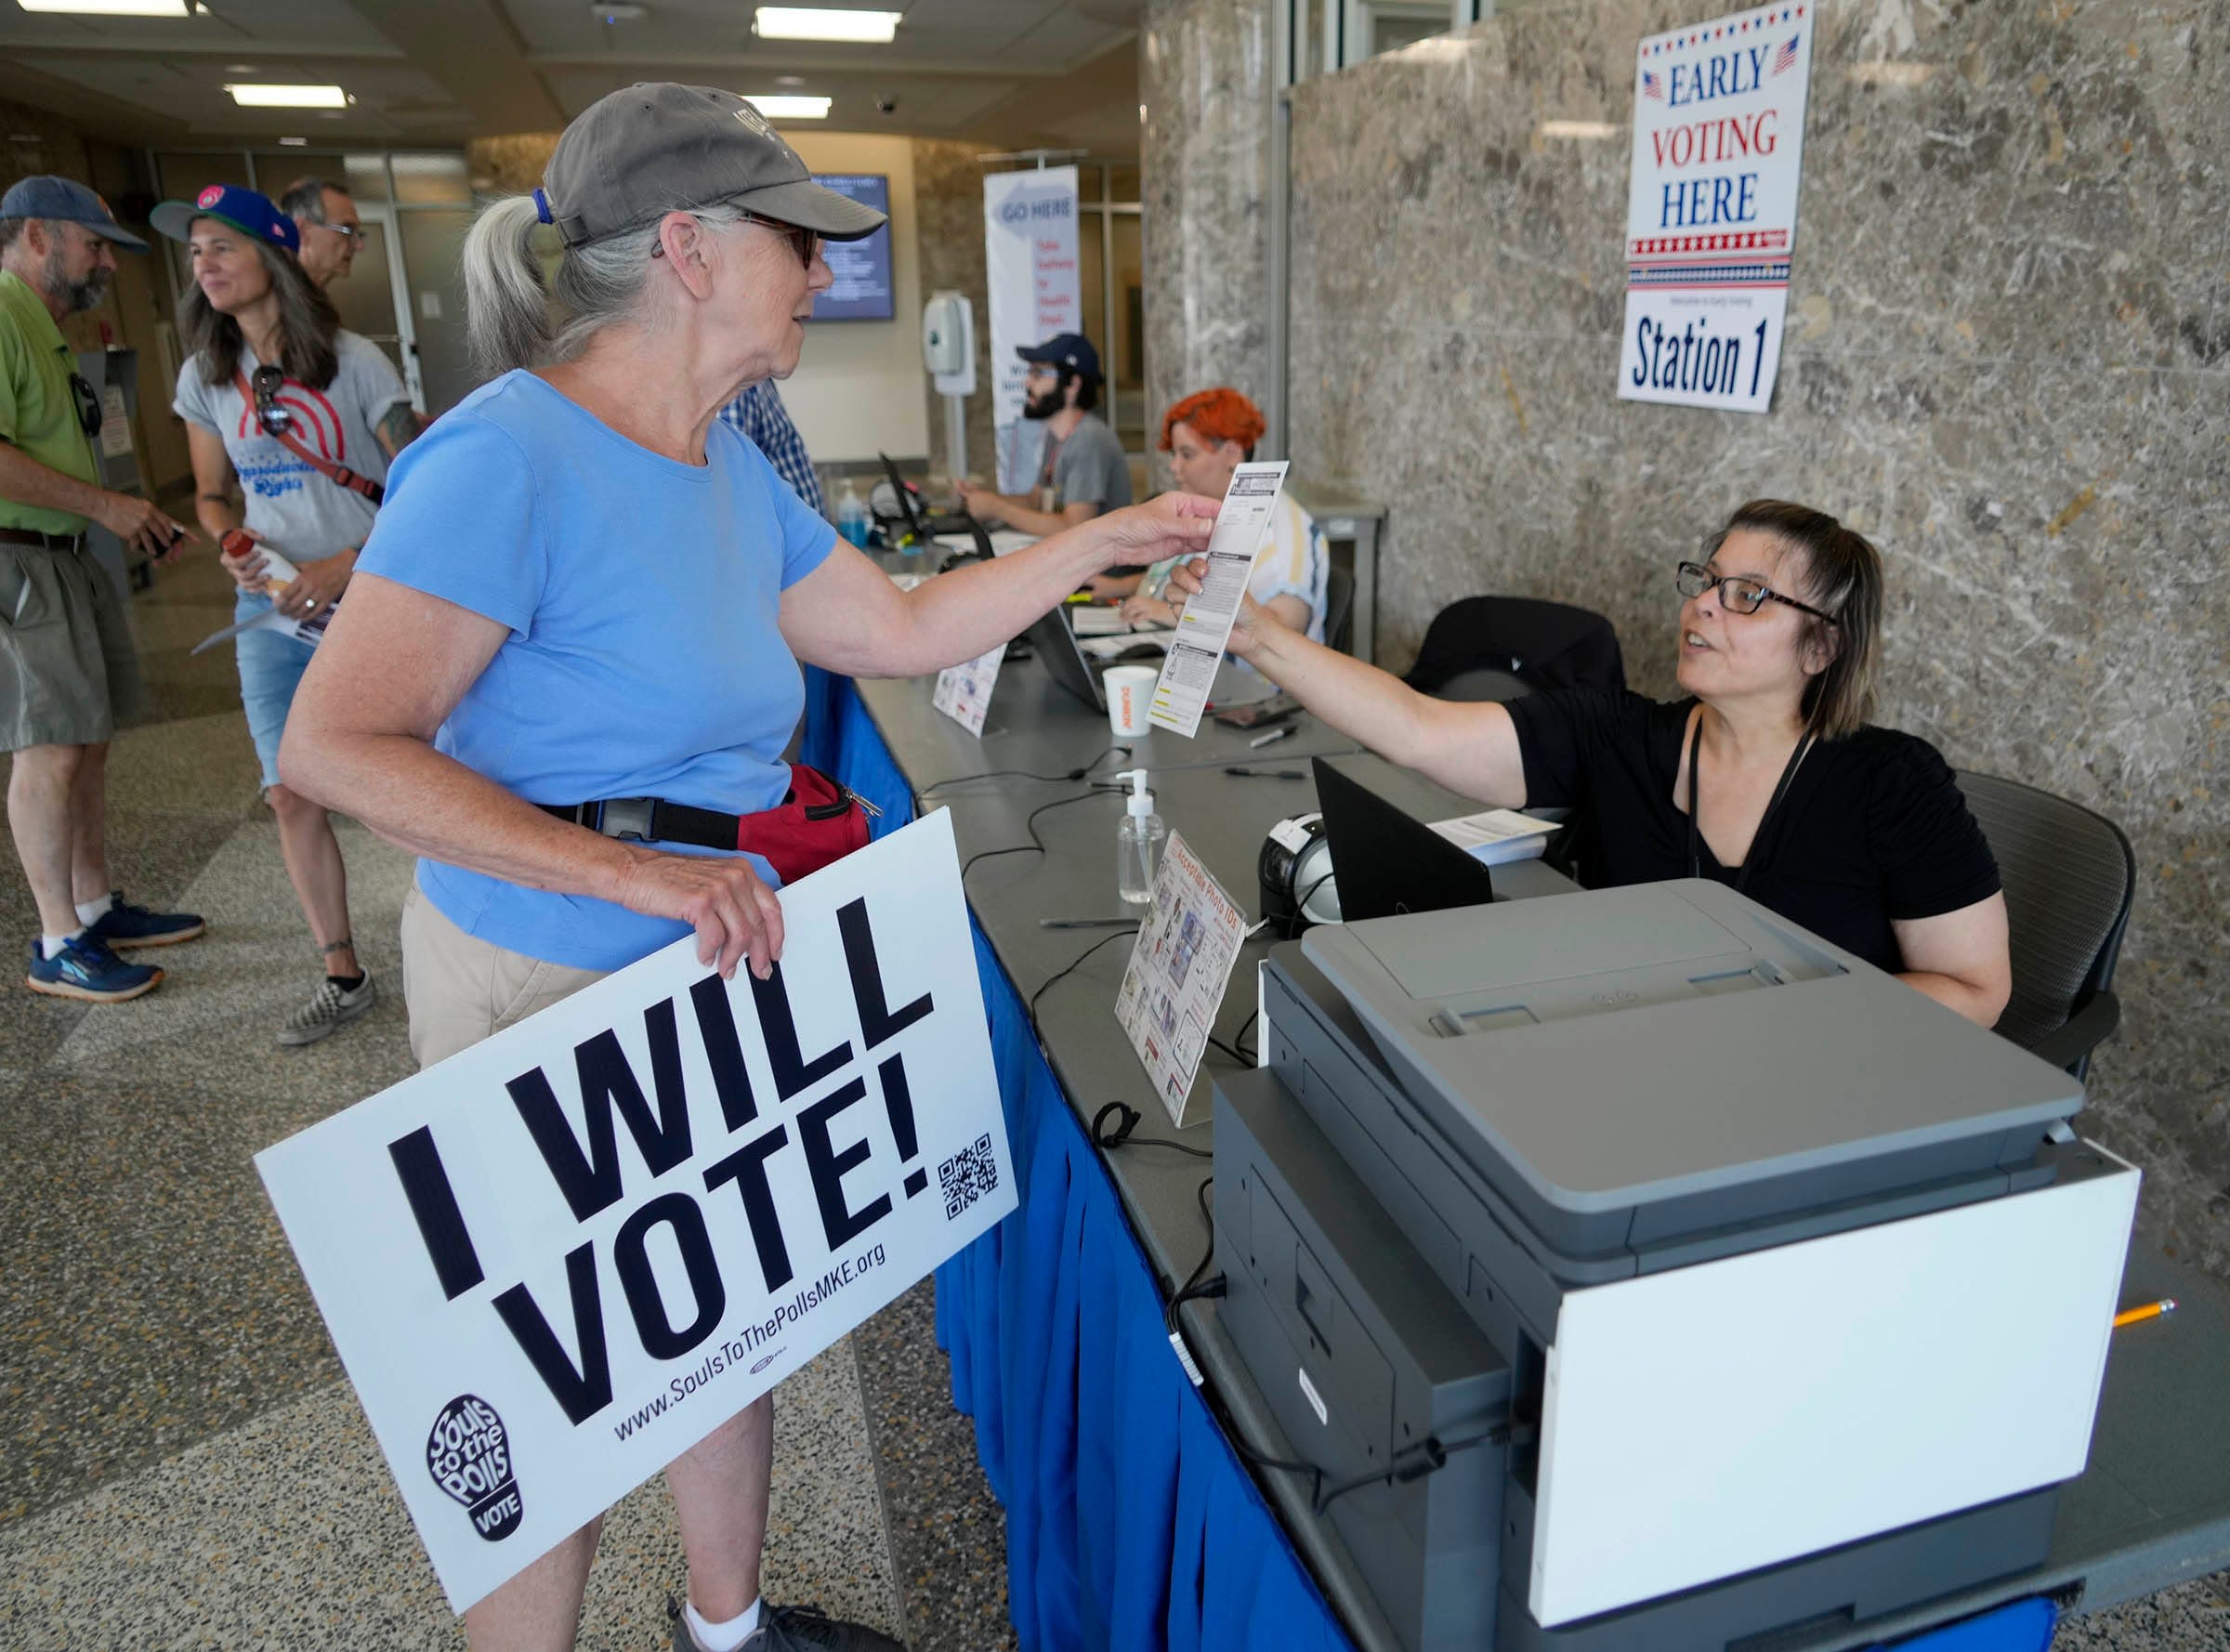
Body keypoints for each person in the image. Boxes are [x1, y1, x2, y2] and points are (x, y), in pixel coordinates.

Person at [277, 84, 1215, 1652]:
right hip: (545, 972)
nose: (822, 269)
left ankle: (730, 1624)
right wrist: (616, 873)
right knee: (560, 1392)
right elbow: (337, 745)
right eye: (799, 239)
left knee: (726, 1325)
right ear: (690, 249)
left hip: (702, 954)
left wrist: (1101, 540)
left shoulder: (726, 469)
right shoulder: (503, 456)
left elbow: (902, 628)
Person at [1171, 499, 2013, 1027]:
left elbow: (1977, 989)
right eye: (1706, 580)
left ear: (1823, 645)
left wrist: (1796, 1019)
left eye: (1746, 596)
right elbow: (1419, 730)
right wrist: (1260, 638)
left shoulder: (1894, 782)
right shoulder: (1614, 736)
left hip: (1824, 1095)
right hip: (1626, 1067)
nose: (1703, 607)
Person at [158, 183, 417, 1045]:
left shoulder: (355, 361)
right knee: (289, 794)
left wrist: (344, 565)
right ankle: (343, 974)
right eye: (196, 254)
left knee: (415, 790)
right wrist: (240, 549)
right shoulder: (205, 376)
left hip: (370, 603)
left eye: (221, 248)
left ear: (271, 254)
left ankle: (464, 941)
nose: (206, 266)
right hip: (271, 615)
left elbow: (423, 489)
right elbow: (207, 496)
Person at [1, 176, 204, 1003]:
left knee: (85, 738)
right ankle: (58, 942)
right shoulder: (3, 312)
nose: (106, 267)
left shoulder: (37, 325)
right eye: (94, 247)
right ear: (40, 236)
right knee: (48, 747)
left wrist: (104, 517)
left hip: (62, 554)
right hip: (21, 560)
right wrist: (108, 505)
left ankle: (90, 906)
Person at [1111, 386, 1328, 639]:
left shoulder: (1283, 529)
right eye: (1174, 454)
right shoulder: (1209, 509)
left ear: (1232, 454)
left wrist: (1170, 612)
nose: (1174, 467)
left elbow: (1284, 629)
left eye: (1187, 454)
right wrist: (1115, 588)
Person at [953, 332, 1132, 537]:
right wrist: (981, 498)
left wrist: (996, 508)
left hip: (1105, 568)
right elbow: (1035, 501)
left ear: (1072, 385)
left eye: (1038, 374)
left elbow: (1075, 528)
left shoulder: (1088, 439)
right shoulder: (1056, 435)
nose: (1027, 383)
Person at [719, 376, 821, 512]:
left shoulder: (759, 380)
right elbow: (733, 486)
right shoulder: (739, 384)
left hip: (802, 528)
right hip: (785, 531)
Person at [279, 176, 361, 290]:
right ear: (303, 231)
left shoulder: (312, 300)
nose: (359, 246)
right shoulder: (273, 301)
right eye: (347, 230)